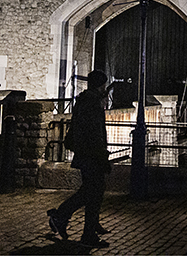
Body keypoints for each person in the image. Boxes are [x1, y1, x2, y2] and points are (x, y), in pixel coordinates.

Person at [47, 70, 111, 248]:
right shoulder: (92, 103)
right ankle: (63, 217)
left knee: (93, 191)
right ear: (101, 85)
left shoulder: (85, 100)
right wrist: (101, 154)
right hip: (91, 155)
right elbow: (94, 133)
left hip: (87, 153)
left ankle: (88, 228)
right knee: (91, 191)